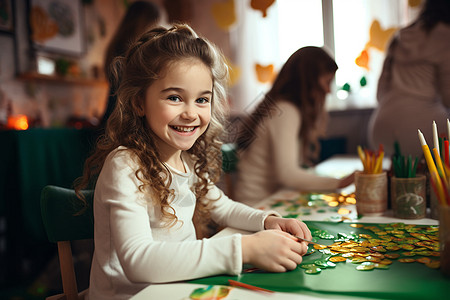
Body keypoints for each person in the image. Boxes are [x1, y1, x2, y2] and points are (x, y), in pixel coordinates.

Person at [74, 24, 311, 300]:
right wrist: (244, 249)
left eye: (202, 100)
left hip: (179, 290)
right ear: (139, 103)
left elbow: (223, 207)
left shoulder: (186, 160)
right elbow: (138, 260)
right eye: (174, 98)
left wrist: (267, 221)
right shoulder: (125, 165)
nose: (190, 113)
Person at [234, 46, 354, 206]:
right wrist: (340, 183)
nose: (328, 91)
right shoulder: (285, 111)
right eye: (327, 82)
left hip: (262, 202)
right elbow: (287, 174)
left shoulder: (279, 106)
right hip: (257, 206)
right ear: (310, 80)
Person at [368, 0, 450, 157]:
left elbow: (380, 94)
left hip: (381, 127)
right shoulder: (446, 36)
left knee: (397, 178)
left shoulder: (399, 36)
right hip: (424, 130)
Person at [98, 0, 164, 131]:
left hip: (109, 121)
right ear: (150, 24)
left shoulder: (115, 48)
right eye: (161, 22)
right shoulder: (139, 56)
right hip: (124, 125)